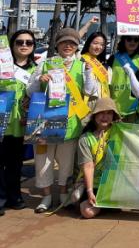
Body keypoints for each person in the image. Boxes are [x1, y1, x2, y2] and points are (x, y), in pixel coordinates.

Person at [28, 28, 97, 213]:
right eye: (64, 42)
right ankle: (46, 196)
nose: (68, 46)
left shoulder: (82, 66)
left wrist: (89, 73)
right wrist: (40, 79)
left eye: (72, 43)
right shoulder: (45, 63)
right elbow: (30, 90)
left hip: (71, 122)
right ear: (57, 45)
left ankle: (64, 193)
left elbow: (90, 91)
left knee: (66, 163)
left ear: (77, 47)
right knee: (43, 161)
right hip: (44, 121)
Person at [0, 30, 37, 214]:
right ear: (12, 45)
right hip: (2, 122)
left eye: (28, 42)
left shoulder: (37, 70)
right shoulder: (2, 65)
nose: (24, 45)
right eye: (19, 42)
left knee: (16, 164)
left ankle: (14, 196)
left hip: (22, 124)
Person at [77, 97, 120, 219]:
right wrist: (90, 191)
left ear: (113, 116)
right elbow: (88, 166)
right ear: (95, 115)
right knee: (87, 212)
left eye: (109, 113)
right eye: (101, 112)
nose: (105, 117)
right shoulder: (85, 139)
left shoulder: (120, 133)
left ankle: (107, 204)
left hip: (114, 184)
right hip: (95, 184)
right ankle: (104, 204)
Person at [106, 35, 139, 122]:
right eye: (129, 39)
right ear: (123, 40)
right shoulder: (113, 58)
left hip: (136, 108)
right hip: (116, 107)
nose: (132, 42)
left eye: (136, 39)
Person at [80, 32, 110, 101]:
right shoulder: (80, 60)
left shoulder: (105, 65)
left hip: (102, 102)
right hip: (85, 102)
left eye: (102, 44)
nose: (98, 47)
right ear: (88, 43)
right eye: (95, 43)